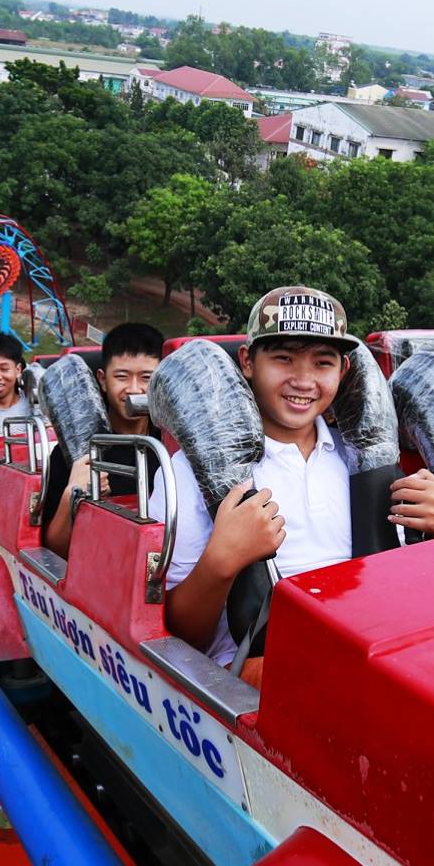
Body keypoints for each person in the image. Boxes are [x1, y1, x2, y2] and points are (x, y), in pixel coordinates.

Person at [154, 286, 369, 668]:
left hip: (364, 648)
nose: (303, 381)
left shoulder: (362, 459)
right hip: (247, 672)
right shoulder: (190, 470)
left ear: (344, 370)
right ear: (247, 362)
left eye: (323, 363)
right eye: (284, 358)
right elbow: (179, 634)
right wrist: (222, 560)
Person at [41, 323, 164, 557]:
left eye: (147, 377)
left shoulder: (172, 445)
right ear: (103, 380)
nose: (135, 389)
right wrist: (73, 495)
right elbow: (52, 549)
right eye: (122, 377)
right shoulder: (73, 452)